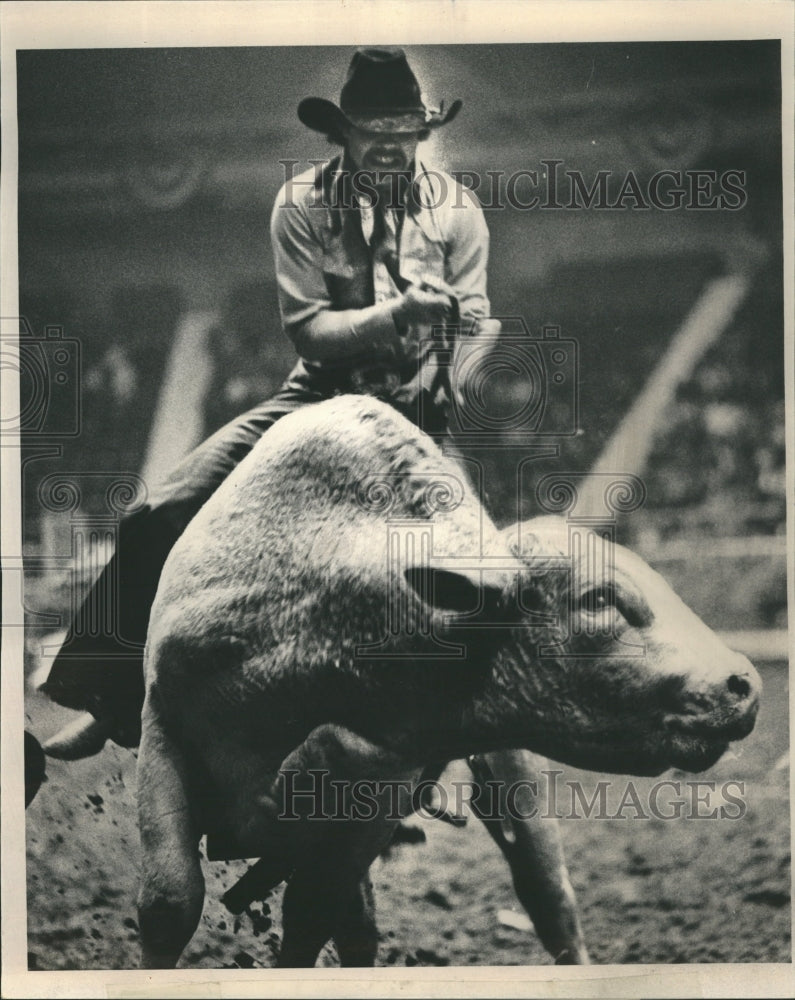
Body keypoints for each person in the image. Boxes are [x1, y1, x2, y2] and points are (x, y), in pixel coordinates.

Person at [42, 47, 499, 751]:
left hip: (417, 414)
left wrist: (447, 374)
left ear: (422, 132)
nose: (390, 145)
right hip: (318, 395)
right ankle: (109, 701)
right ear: (341, 134)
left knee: (488, 572)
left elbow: (478, 320)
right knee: (158, 514)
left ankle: (484, 742)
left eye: (404, 130)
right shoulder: (300, 204)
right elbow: (309, 331)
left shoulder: (458, 211)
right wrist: (396, 316)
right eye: (374, 130)